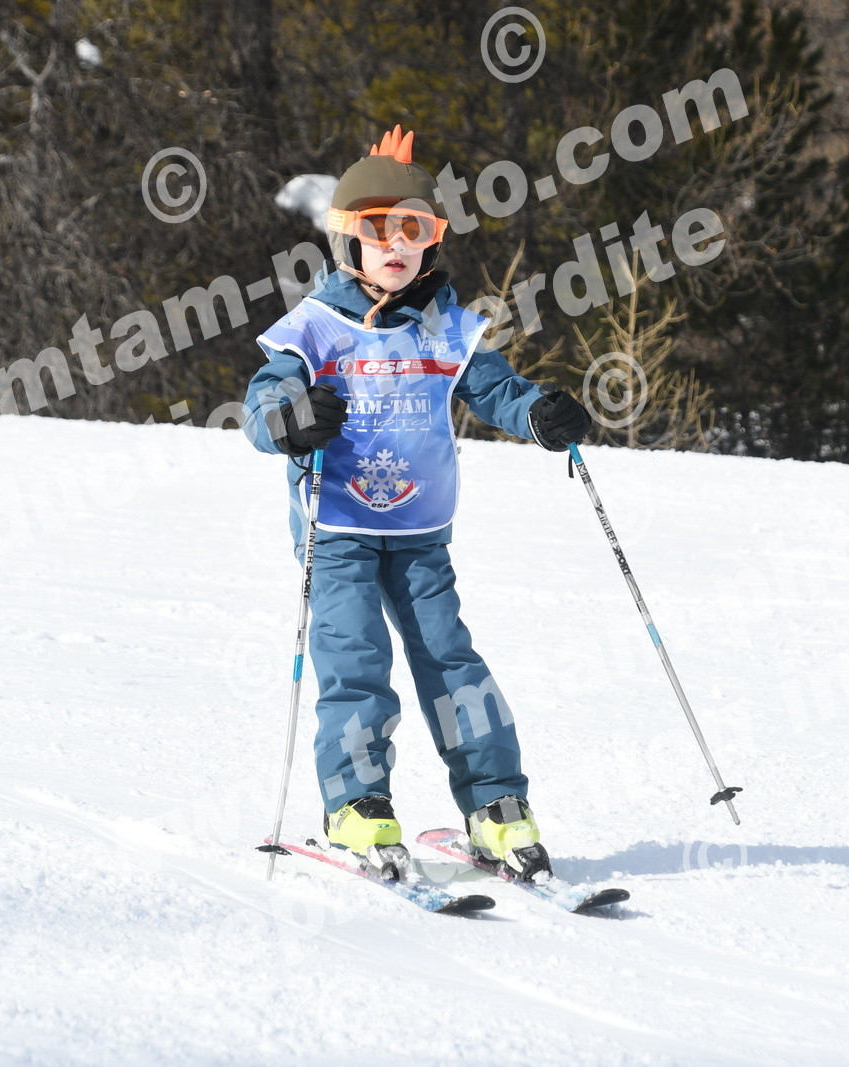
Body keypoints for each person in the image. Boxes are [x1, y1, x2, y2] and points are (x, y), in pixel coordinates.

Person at [242, 125, 591, 883]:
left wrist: (540, 414)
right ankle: (358, 804)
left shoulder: (446, 328)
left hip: (419, 529)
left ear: (432, 241)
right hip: (337, 529)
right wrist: (289, 420)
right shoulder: (314, 327)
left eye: (415, 228)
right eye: (378, 229)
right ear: (348, 240)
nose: (396, 244)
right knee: (356, 661)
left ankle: (497, 805)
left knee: (450, 658)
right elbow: (262, 403)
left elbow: (497, 389)